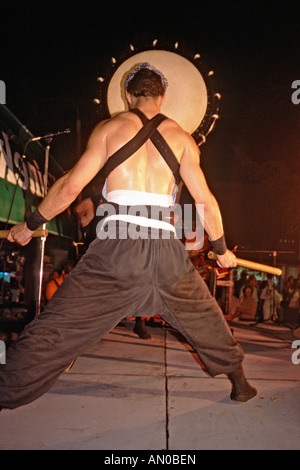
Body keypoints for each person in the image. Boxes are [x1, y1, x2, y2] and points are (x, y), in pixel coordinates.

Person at [0, 63, 257, 410]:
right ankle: (240, 384)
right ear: (163, 98)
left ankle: (5, 391)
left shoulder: (109, 129)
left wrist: (29, 226)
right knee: (205, 317)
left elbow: (71, 186)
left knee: (55, 330)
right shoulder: (183, 139)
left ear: (126, 94)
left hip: (117, 246)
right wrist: (222, 249)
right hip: (167, 250)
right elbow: (205, 201)